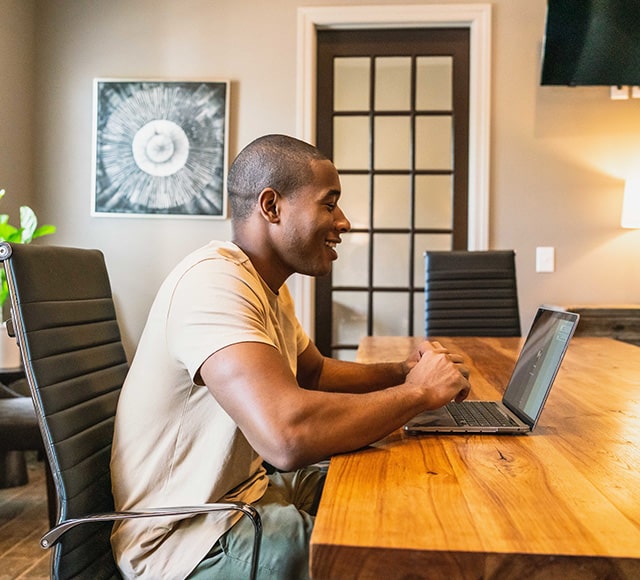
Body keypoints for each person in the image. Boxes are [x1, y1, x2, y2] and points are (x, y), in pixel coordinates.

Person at [110, 134, 470, 579]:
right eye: (329, 203)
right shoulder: (213, 284)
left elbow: (314, 372)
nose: (344, 221)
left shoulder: (265, 286)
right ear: (272, 206)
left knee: (399, 491)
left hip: (248, 494)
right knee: (386, 560)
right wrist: (419, 393)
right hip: (186, 539)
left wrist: (402, 373)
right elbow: (287, 436)